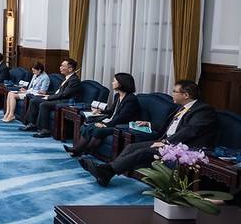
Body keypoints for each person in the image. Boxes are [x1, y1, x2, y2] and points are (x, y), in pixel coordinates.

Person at [80, 80, 217, 187]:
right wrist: (150, 124)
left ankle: (106, 171)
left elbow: (190, 131)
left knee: (143, 152)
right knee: (131, 147)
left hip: (184, 148)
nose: (172, 93)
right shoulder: (181, 108)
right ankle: (107, 173)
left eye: (175, 91)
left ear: (186, 95)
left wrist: (165, 142)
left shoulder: (203, 111)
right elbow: (169, 127)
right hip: (169, 142)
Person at [64, 73, 140, 157]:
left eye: (114, 81)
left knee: (97, 130)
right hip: (112, 121)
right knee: (89, 126)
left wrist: (105, 125)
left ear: (121, 83)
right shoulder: (117, 96)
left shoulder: (131, 99)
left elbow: (121, 117)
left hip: (121, 125)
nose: (112, 83)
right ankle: (78, 149)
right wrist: (100, 111)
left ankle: (83, 150)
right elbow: (112, 111)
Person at [20, 58, 82, 138]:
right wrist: (46, 94)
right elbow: (58, 92)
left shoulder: (74, 80)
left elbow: (64, 94)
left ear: (70, 69)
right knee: (34, 100)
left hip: (66, 101)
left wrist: (49, 97)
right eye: (61, 65)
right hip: (59, 98)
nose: (60, 67)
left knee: (44, 104)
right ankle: (32, 124)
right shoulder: (66, 78)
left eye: (63, 66)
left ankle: (45, 129)